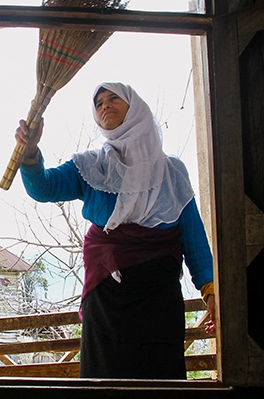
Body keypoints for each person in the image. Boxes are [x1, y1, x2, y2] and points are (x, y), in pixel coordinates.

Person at [14, 82, 215, 379]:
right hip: (107, 300)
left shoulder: (172, 171)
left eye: (113, 98)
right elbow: (44, 187)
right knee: (104, 389)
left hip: (158, 300)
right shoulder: (92, 166)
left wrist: (211, 294)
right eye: (98, 103)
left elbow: (194, 238)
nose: (104, 105)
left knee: (162, 388)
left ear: (135, 108)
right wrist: (29, 153)